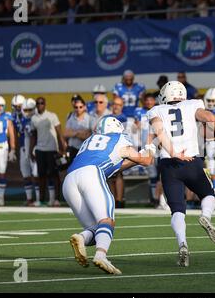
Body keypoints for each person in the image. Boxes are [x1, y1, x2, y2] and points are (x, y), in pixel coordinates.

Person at [64, 116, 154, 274]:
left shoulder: (89, 141)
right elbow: (146, 161)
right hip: (91, 174)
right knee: (107, 221)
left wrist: (136, 158)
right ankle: (101, 255)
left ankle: (81, 238)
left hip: (69, 179)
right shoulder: (119, 138)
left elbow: (114, 165)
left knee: (96, 228)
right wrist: (150, 149)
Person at [147, 81, 215, 267]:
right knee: (208, 194)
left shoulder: (156, 110)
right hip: (192, 161)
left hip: (169, 163)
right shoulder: (193, 104)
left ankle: (183, 243)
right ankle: (206, 215)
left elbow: (158, 130)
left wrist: (172, 151)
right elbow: (209, 117)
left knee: (177, 209)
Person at [29, 97, 67, 207]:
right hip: (40, 149)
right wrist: (31, 150)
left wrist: (62, 148)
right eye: (38, 103)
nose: (40, 105)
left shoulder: (52, 116)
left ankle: (56, 199)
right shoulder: (34, 118)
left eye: (42, 103)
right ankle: (41, 199)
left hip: (52, 149)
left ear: (45, 104)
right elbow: (33, 135)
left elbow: (59, 132)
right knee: (41, 175)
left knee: (54, 175)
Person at [134, 93, 158, 204]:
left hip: (159, 145)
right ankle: (154, 198)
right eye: (147, 100)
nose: (149, 102)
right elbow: (136, 128)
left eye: (151, 100)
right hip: (147, 146)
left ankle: (161, 197)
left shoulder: (158, 110)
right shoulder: (139, 111)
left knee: (161, 172)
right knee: (152, 173)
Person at [112, 70, 146, 147]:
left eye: (130, 77)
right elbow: (116, 101)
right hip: (122, 116)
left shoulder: (139, 87)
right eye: (126, 77)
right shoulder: (118, 86)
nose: (128, 79)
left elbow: (144, 102)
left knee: (136, 142)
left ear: (133, 78)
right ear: (123, 78)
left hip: (135, 117)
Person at [20, 98, 40, 206]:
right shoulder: (22, 120)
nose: (27, 112)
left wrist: (33, 149)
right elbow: (26, 137)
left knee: (36, 174)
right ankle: (29, 198)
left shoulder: (37, 119)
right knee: (26, 174)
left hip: (36, 148)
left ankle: (38, 198)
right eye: (25, 110)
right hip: (25, 148)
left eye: (30, 110)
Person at [64, 96, 93, 162]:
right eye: (76, 107)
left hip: (84, 149)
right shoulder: (70, 116)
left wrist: (73, 133)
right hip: (73, 149)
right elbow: (66, 133)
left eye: (80, 107)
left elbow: (88, 135)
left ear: (84, 107)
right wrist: (79, 133)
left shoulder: (89, 118)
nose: (78, 109)